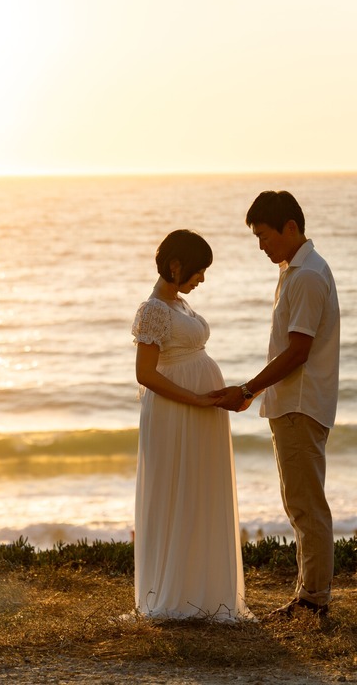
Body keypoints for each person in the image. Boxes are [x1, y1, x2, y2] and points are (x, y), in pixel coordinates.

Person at [212, 190, 340, 619]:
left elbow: (297, 351)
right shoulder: (297, 269)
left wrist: (248, 390)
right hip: (295, 403)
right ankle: (310, 595)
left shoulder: (305, 276)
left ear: (290, 227)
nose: (261, 245)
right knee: (301, 503)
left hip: (299, 405)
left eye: (264, 235)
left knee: (306, 506)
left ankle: (313, 600)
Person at [130, 229, 253, 622]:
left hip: (202, 412)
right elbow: (146, 374)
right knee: (177, 493)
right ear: (176, 265)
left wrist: (217, 396)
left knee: (201, 492)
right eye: (199, 270)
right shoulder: (152, 310)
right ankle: (177, 596)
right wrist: (198, 398)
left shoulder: (180, 305)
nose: (202, 278)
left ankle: (205, 591)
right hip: (175, 414)